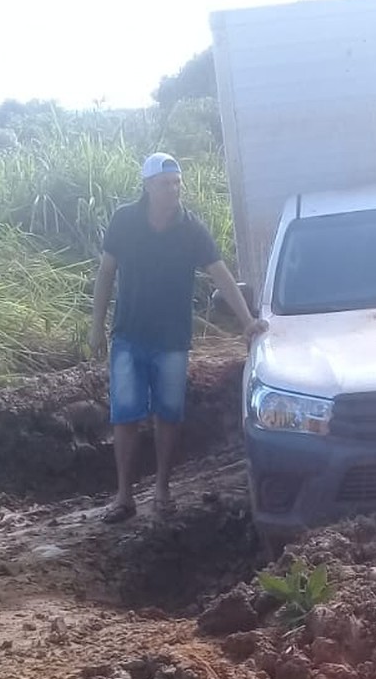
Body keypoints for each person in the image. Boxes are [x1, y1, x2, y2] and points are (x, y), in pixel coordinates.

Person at [89, 153, 264, 521]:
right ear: (148, 186)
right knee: (125, 416)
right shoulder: (124, 221)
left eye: (177, 183)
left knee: (169, 414)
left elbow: (221, 275)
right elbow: (106, 273)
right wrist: (96, 326)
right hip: (128, 334)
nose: (174, 189)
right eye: (167, 183)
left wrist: (248, 322)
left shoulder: (191, 229)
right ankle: (124, 496)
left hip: (172, 339)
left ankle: (163, 490)